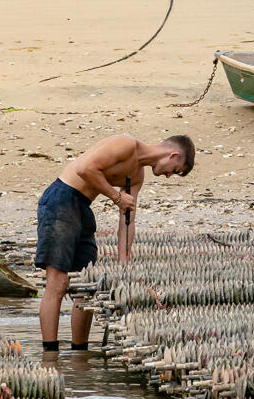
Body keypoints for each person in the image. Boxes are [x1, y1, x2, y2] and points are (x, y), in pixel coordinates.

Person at [37, 133, 195, 351]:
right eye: (175, 170)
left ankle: (79, 355)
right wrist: (116, 196)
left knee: (85, 285)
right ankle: (50, 355)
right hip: (60, 200)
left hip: (83, 208)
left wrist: (123, 262)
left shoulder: (137, 176)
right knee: (58, 282)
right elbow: (85, 169)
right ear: (173, 154)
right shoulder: (126, 144)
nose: (169, 176)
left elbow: (127, 218)